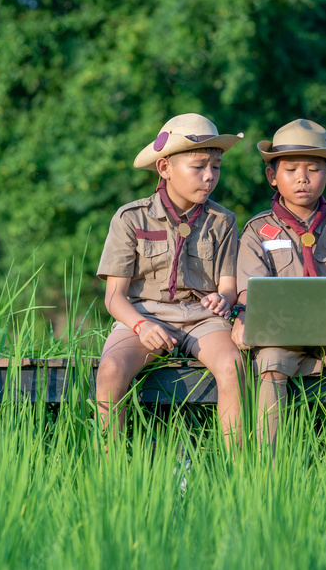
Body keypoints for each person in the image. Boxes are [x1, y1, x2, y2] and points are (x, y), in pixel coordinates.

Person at [231, 118, 326, 456]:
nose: (302, 177)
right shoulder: (257, 230)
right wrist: (243, 317)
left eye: (313, 169)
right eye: (290, 169)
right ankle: (268, 471)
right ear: (273, 177)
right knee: (270, 364)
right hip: (281, 334)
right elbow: (247, 292)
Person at [95, 113, 246, 454]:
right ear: (164, 167)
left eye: (216, 167)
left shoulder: (222, 221)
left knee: (234, 366)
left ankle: (240, 472)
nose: (210, 177)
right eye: (198, 167)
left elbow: (227, 285)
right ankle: (110, 470)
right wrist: (140, 325)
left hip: (202, 319)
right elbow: (115, 297)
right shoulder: (130, 218)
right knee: (110, 369)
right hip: (144, 314)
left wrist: (222, 300)